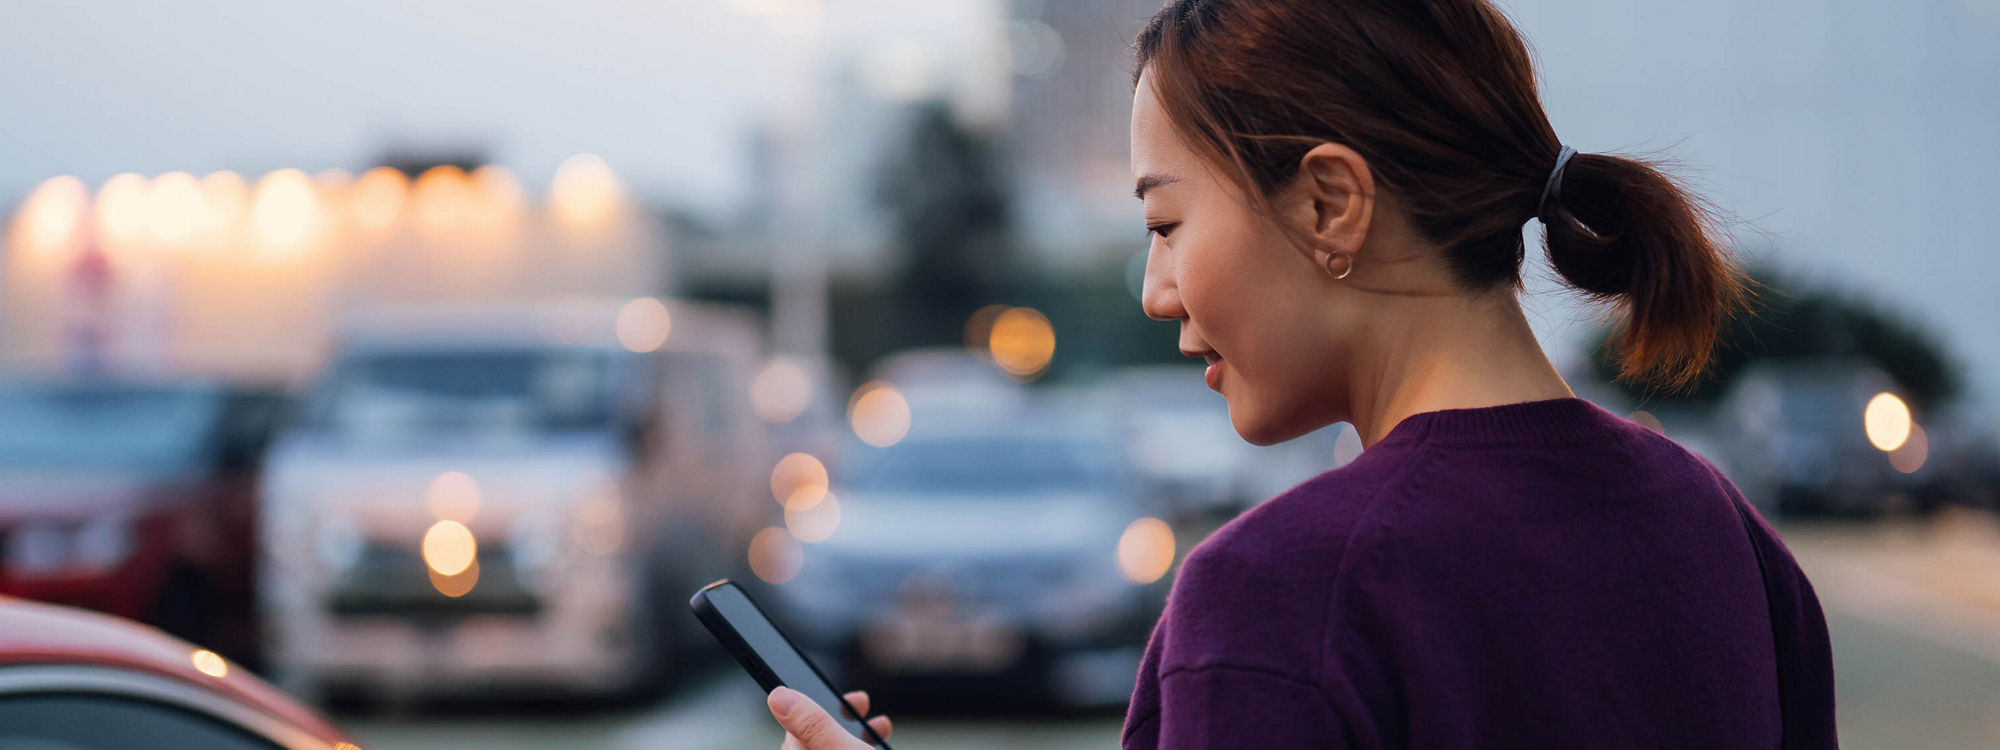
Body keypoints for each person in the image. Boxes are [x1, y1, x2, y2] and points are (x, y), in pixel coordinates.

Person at [765, 0, 1838, 747]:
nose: (1155, 289)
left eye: (1166, 221)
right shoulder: (1716, 527)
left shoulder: (1283, 592)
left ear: (1330, 202)